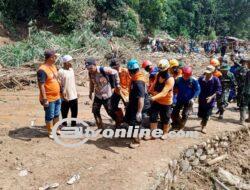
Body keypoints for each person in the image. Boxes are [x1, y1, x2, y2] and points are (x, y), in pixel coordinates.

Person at [86, 58, 120, 130]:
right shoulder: (90, 73)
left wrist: (117, 85)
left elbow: (115, 72)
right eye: (88, 68)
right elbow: (91, 82)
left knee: (110, 112)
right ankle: (100, 127)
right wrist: (90, 92)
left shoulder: (103, 69)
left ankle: (119, 122)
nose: (90, 70)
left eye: (91, 68)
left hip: (107, 95)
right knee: (95, 111)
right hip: (98, 95)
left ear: (95, 65)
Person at [125, 59, 150, 148]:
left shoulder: (138, 81)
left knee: (135, 122)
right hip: (134, 103)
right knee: (131, 119)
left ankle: (136, 141)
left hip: (140, 104)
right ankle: (143, 133)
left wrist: (139, 111)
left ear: (130, 70)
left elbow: (141, 98)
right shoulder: (136, 77)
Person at [147, 59, 174, 140]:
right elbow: (154, 84)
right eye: (160, 70)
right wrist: (149, 91)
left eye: (163, 70)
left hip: (166, 102)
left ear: (168, 69)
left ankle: (165, 133)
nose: (161, 72)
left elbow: (164, 93)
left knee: (165, 118)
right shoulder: (158, 75)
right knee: (153, 116)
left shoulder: (170, 79)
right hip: (157, 100)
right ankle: (153, 134)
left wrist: (152, 98)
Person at [37, 50, 61, 139]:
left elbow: (56, 80)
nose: (56, 58)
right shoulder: (42, 70)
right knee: (49, 115)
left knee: (57, 114)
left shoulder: (53, 66)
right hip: (49, 98)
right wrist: (44, 99)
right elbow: (41, 86)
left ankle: (57, 129)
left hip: (57, 96)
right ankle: (50, 131)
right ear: (51, 58)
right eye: (55, 57)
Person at [198, 65, 222, 133]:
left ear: (212, 73)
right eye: (206, 73)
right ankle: (203, 121)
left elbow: (219, 90)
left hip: (210, 101)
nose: (207, 74)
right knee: (201, 114)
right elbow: (197, 88)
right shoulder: (201, 79)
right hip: (201, 99)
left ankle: (204, 127)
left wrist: (211, 97)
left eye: (209, 73)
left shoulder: (215, 80)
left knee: (207, 114)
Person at [110, 58, 131, 127]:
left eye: (115, 67)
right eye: (112, 67)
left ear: (118, 66)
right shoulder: (112, 72)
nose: (114, 68)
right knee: (112, 105)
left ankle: (127, 122)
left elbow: (130, 82)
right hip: (117, 91)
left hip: (125, 92)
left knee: (128, 107)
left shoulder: (125, 71)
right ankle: (120, 119)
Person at [58, 55, 78, 127]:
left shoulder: (71, 70)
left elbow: (72, 82)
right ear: (65, 62)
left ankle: (73, 125)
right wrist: (62, 95)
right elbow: (59, 84)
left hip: (74, 95)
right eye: (70, 61)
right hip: (65, 96)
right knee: (64, 112)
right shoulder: (61, 71)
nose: (71, 63)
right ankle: (64, 125)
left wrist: (76, 92)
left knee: (74, 112)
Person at [237, 58, 250, 126]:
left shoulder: (247, 72)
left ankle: (242, 121)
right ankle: (249, 119)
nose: (246, 65)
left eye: (247, 63)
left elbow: (244, 81)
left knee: (243, 105)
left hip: (246, 91)